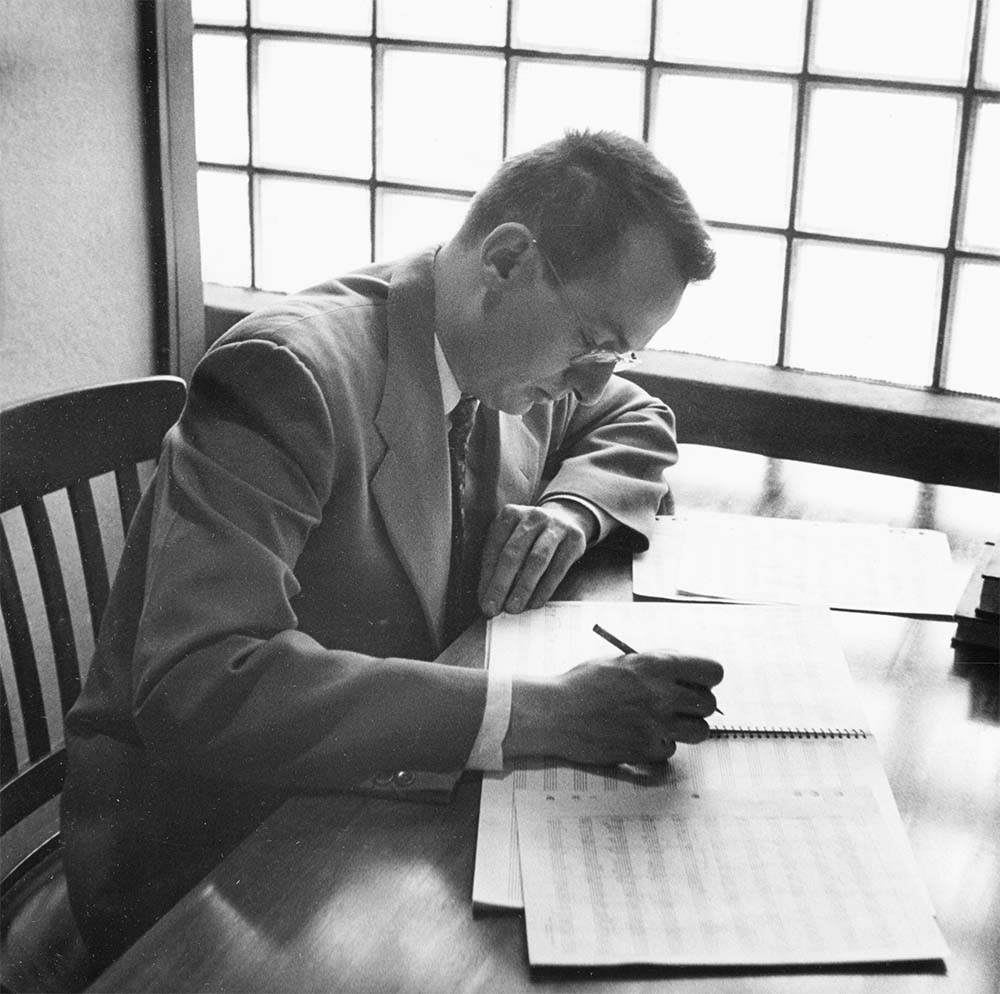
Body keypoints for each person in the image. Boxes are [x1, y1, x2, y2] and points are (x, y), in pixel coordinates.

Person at [61, 130, 724, 967]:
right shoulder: (289, 375)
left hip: (370, 793)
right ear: (508, 260)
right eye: (594, 340)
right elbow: (201, 683)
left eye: (618, 352)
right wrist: (540, 711)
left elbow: (633, 414)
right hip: (208, 848)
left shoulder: (509, 361)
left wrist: (572, 510)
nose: (594, 377)